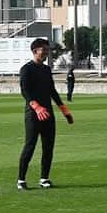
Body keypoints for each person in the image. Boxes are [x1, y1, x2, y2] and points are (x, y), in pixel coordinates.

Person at [17, 38, 74, 190]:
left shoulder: (46, 70)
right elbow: (25, 91)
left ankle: (44, 178)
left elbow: (52, 91)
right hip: (33, 115)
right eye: (44, 49)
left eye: (47, 49)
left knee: (48, 147)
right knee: (30, 146)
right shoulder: (26, 69)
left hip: (48, 114)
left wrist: (64, 110)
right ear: (35, 51)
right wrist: (36, 107)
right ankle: (21, 179)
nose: (47, 52)